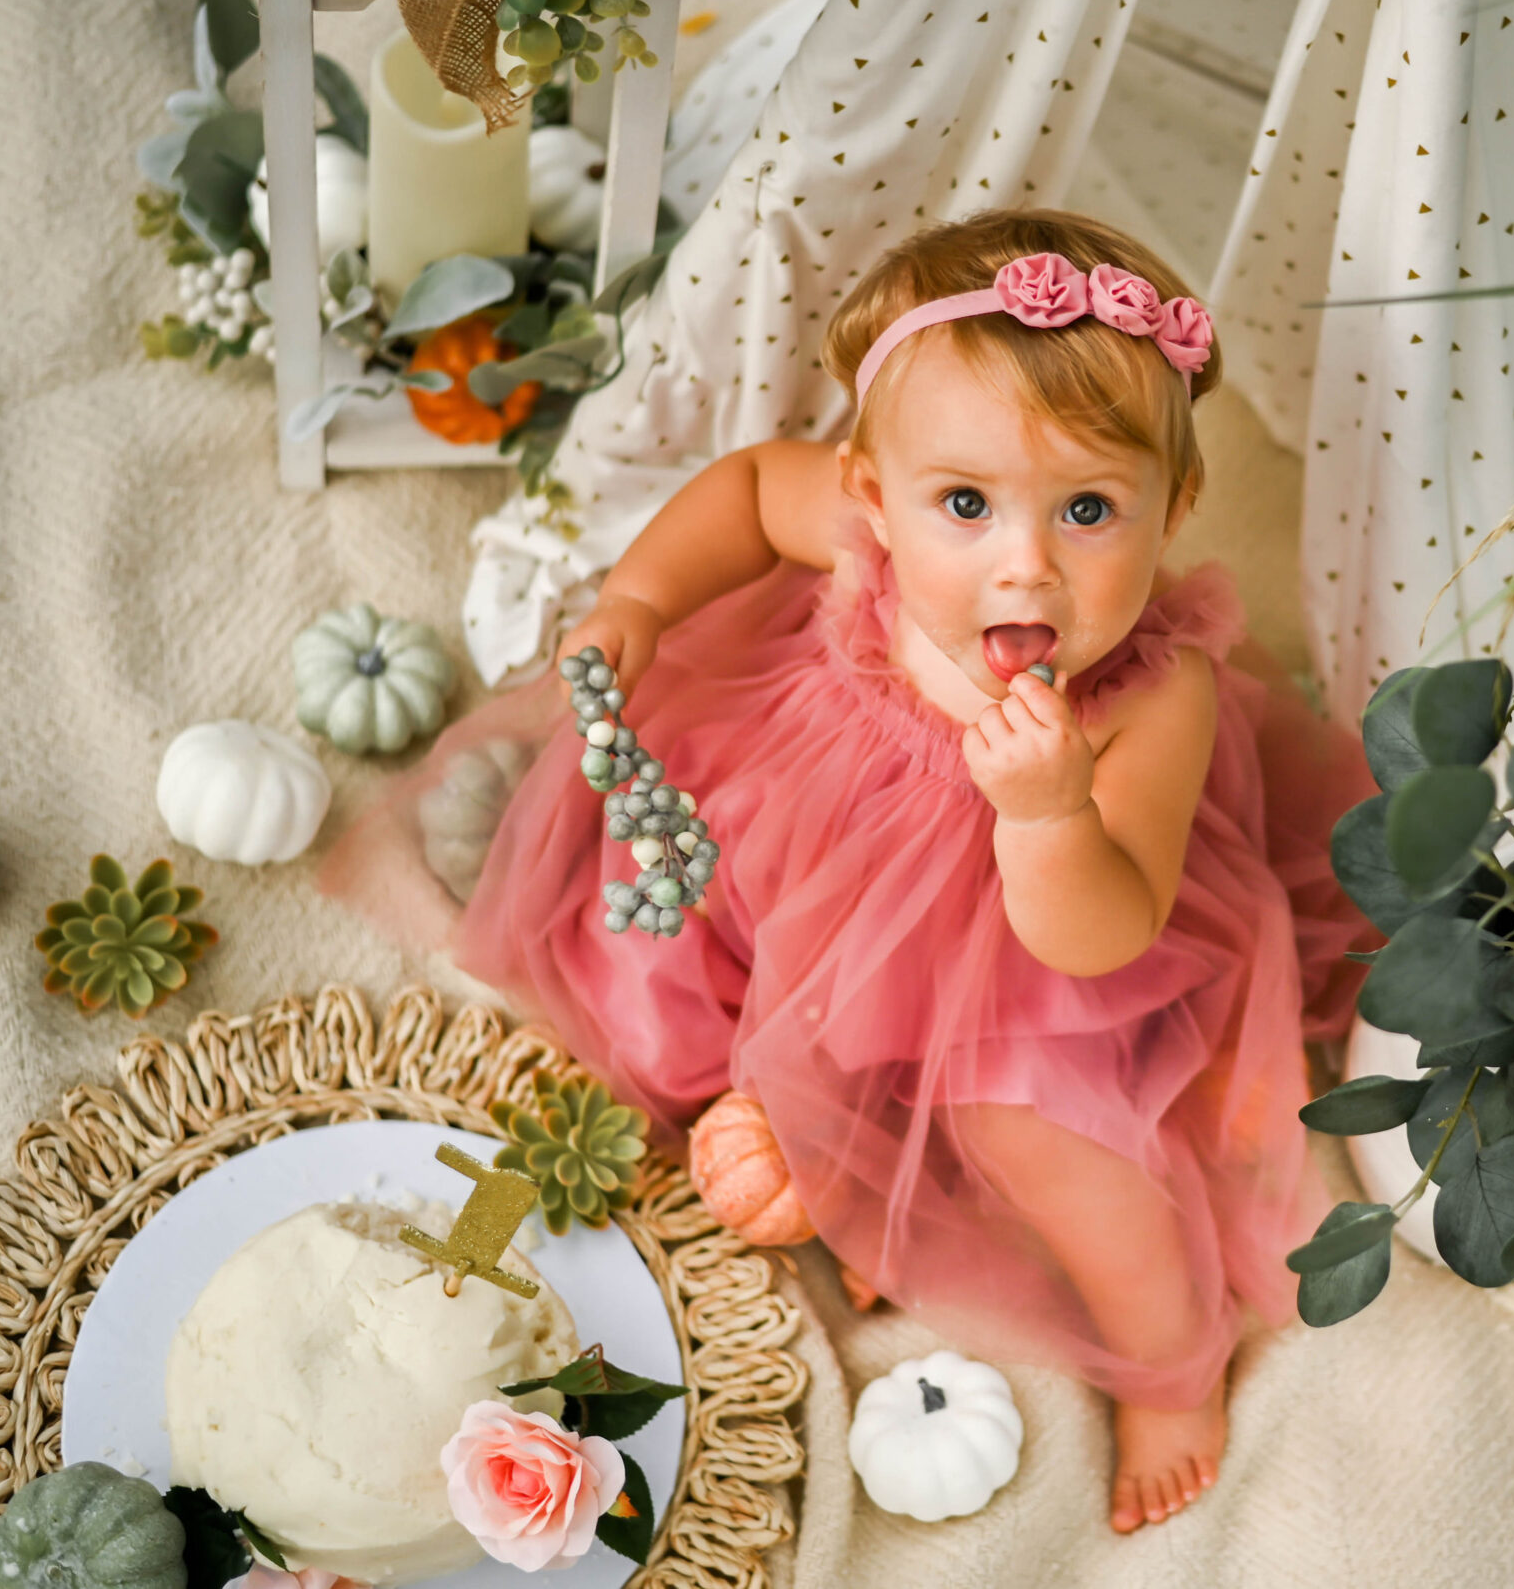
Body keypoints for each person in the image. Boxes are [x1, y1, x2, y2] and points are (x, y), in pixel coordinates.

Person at [323, 208, 1378, 1534]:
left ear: (1173, 510)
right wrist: (644, 599)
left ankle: (1171, 1363)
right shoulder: (858, 527)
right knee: (655, 945)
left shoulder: (1148, 699)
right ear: (877, 495)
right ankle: (789, 1114)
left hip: (1018, 958)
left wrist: (1048, 817)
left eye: (1091, 509)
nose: (1025, 563)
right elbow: (748, 497)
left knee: (1059, 1150)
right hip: (802, 841)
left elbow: (1108, 934)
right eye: (967, 505)